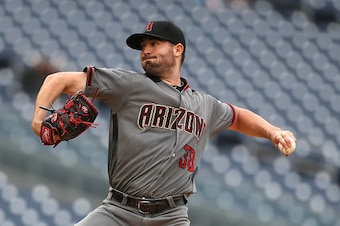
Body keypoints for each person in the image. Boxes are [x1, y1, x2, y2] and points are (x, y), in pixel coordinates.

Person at [32, 21, 296, 226]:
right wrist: (39, 118)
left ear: (177, 49)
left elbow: (239, 117)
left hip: (171, 217)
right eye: (143, 46)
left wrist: (273, 132)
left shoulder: (204, 105)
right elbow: (58, 80)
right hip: (118, 212)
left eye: (154, 43)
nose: (146, 50)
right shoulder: (128, 84)